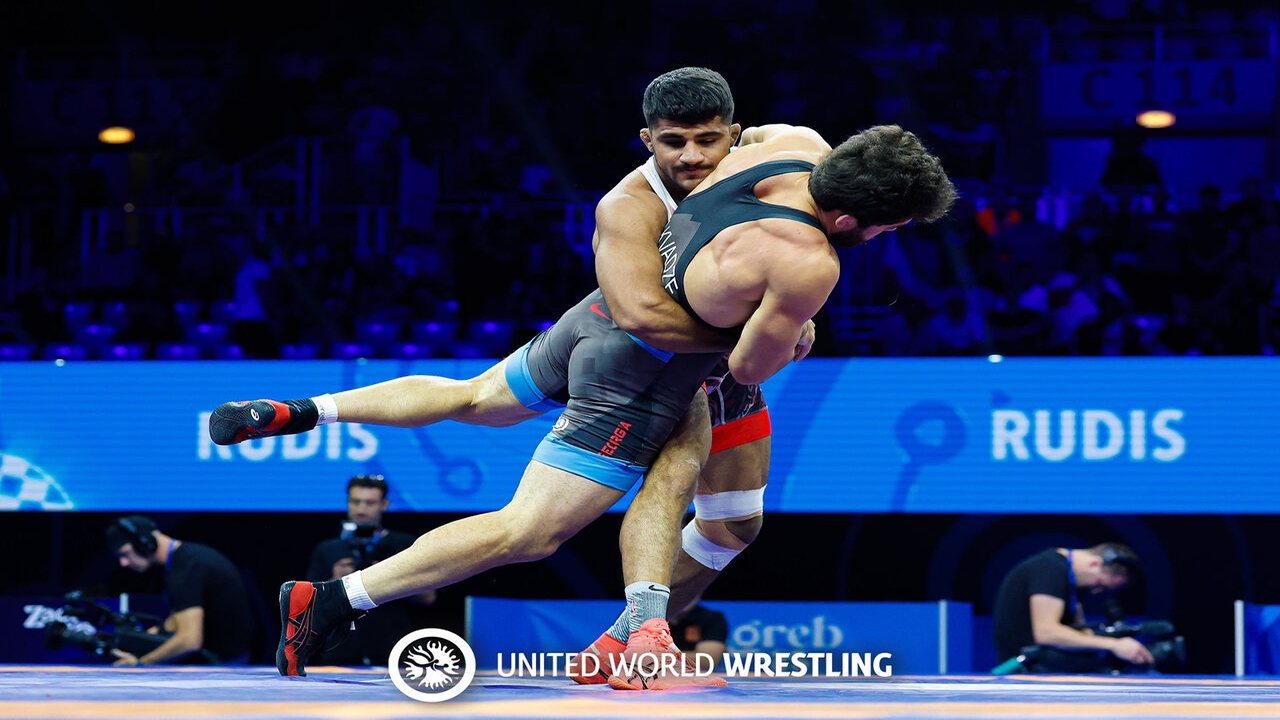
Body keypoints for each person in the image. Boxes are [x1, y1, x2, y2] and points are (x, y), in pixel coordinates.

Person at [209, 90, 955, 690]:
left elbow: (670, 289)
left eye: (708, 141)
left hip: (594, 322)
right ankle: (335, 600)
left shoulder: (789, 141)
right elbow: (744, 365)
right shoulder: (798, 256)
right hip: (646, 365)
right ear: (851, 216)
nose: (695, 158)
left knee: (481, 401)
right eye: (888, 228)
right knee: (540, 526)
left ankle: (306, 409)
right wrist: (792, 334)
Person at [304, 474, 436, 666]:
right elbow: (308, 606)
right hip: (339, 652)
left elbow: (428, 597)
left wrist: (391, 578)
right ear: (347, 502)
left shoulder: (404, 545)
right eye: (355, 502)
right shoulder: (327, 549)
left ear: (384, 504)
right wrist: (335, 582)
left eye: (370, 503)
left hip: (392, 652)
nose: (361, 509)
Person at [105, 515, 254, 666]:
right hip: (229, 657)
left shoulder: (184, 570)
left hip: (223, 664)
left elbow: (190, 641)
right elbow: (182, 617)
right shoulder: (191, 558)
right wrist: (150, 635)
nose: (123, 563)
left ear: (145, 544)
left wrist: (140, 664)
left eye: (125, 554)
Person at [991, 543, 1155, 673]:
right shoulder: (1051, 569)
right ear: (1095, 564)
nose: (1095, 591)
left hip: (1043, 662)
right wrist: (1114, 645)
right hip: (1027, 667)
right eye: (1099, 584)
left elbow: (1081, 633)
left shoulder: (1070, 581)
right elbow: (1047, 633)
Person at [669, 599, 729, 671]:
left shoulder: (711, 617)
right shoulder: (656, 616)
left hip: (692, 675)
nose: (685, 596)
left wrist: (661, 656)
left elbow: (707, 660)